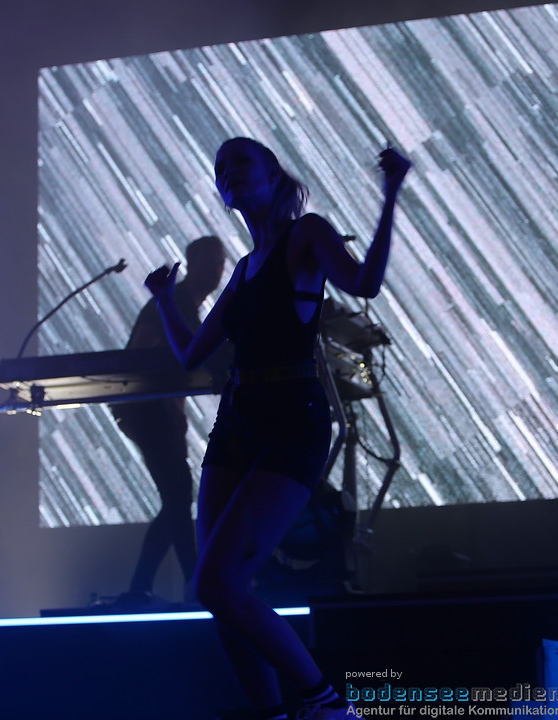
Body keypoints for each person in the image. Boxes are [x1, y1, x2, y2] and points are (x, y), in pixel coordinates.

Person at [144, 137, 411, 720]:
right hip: (237, 423)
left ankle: (327, 704)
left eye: (241, 163)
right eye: (222, 170)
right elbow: (192, 353)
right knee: (221, 595)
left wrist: (390, 196)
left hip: (293, 420)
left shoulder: (306, 233)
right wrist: (165, 297)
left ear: (272, 176)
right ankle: (275, 715)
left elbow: (363, 282)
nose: (230, 173)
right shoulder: (242, 270)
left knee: (217, 584)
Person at [110, 235, 227, 608]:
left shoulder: (187, 309)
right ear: (192, 265)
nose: (216, 273)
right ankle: (195, 579)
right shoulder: (175, 303)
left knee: (178, 495)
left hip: (156, 413)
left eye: (219, 265)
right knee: (179, 493)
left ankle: (144, 585)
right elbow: (143, 353)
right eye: (210, 264)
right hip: (149, 412)